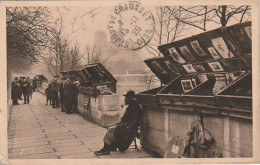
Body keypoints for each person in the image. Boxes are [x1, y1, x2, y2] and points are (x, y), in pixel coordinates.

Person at [94, 90, 142, 155]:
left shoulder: (135, 107)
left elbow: (135, 121)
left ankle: (106, 149)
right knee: (109, 126)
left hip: (128, 128)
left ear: (130, 99)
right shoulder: (132, 106)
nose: (125, 100)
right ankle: (111, 146)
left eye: (126, 98)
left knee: (111, 129)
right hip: (125, 125)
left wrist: (126, 126)